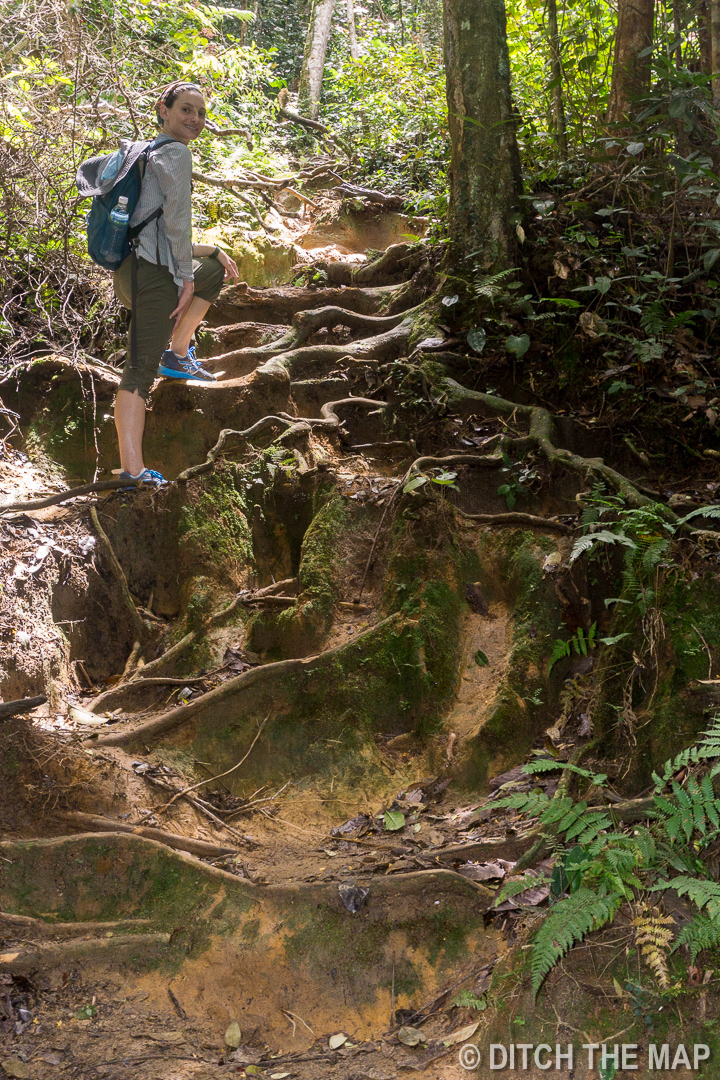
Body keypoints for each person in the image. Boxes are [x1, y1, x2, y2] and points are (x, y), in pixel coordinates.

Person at [112, 80, 239, 484]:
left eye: (200, 113)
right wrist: (186, 279)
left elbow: (162, 230)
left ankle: (178, 353)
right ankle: (131, 471)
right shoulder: (176, 154)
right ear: (163, 109)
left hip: (133, 273)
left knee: (215, 271)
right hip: (153, 279)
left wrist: (211, 252)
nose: (195, 119)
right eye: (186, 109)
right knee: (137, 373)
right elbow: (176, 225)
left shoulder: (147, 151)